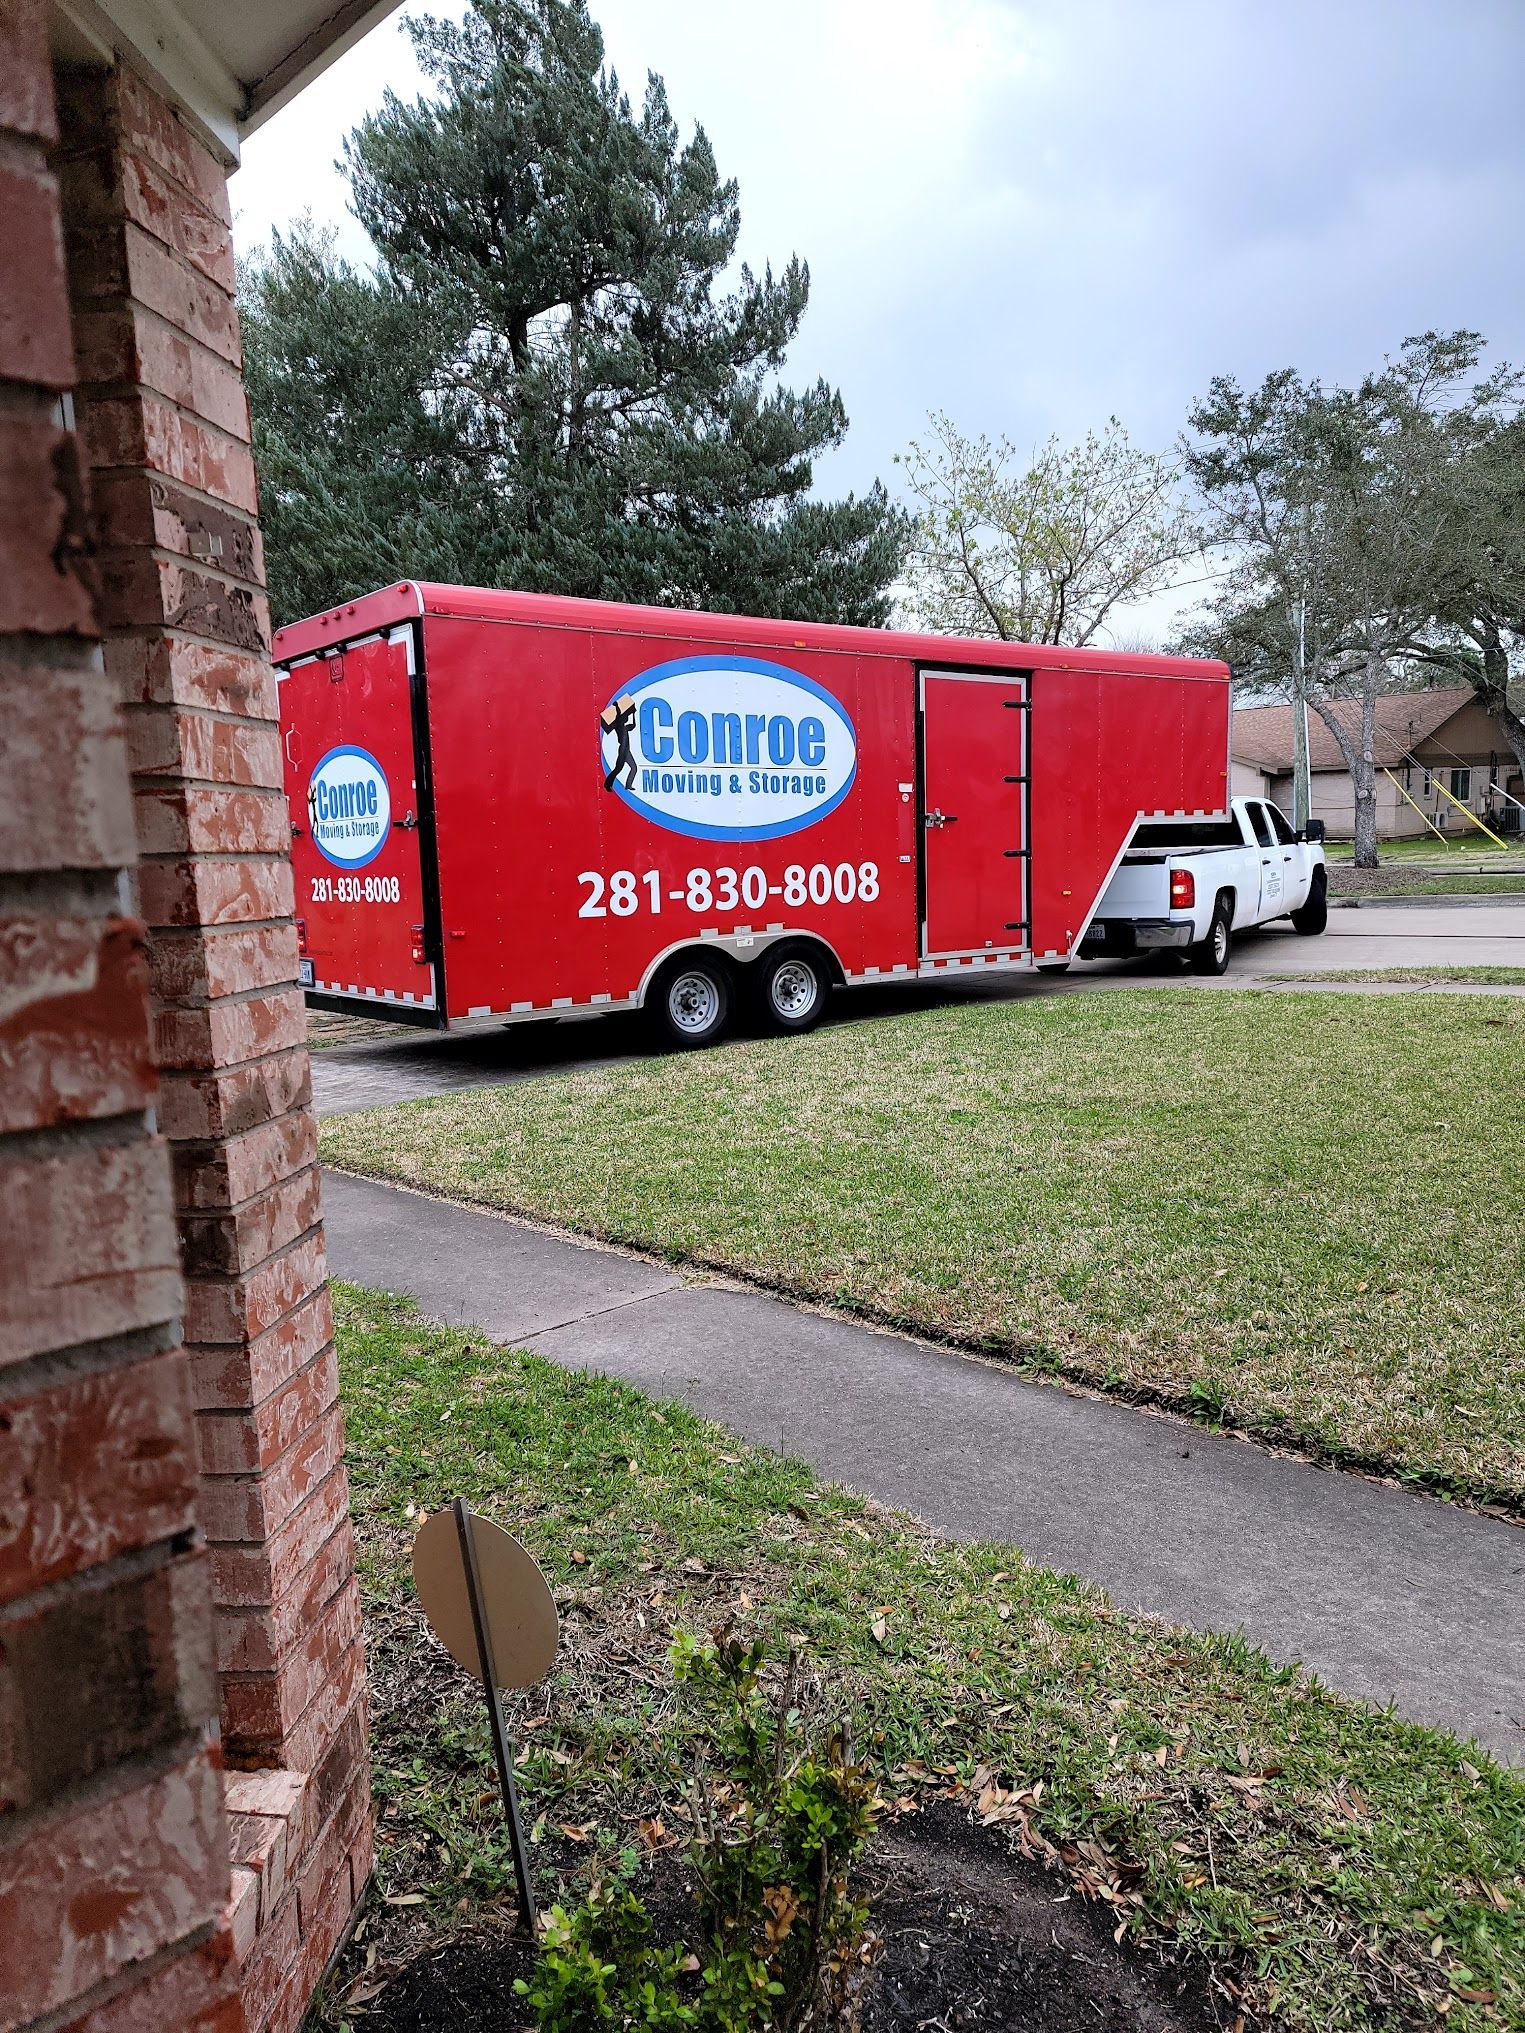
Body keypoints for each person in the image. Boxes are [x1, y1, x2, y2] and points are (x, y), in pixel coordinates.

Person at [601, 695, 638, 791]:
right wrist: (617, 706)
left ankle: (628, 785)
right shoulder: (619, 727)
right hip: (622, 750)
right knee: (618, 769)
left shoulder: (626, 728)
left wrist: (634, 714)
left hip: (627, 751)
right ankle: (607, 784)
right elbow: (618, 717)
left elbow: (633, 725)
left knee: (633, 767)